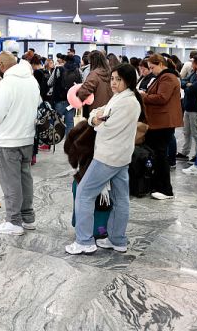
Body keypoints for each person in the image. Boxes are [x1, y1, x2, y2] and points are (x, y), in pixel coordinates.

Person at [66, 64, 143, 255]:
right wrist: (95, 119)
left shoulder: (128, 102)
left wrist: (96, 122)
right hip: (120, 156)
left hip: (108, 157)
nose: (114, 83)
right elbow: (97, 113)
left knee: (84, 193)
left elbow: (105, 127)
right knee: (120, 198)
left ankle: (84, 241)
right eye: (113, 79)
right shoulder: (121, 98)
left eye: (118, 79)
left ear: (129, 80)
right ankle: (117, 239)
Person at [0, 52, 42, 235]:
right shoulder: (32, 81)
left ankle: (13, 221)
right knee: (25, 178)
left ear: (1, 65)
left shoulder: (6, 84)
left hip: (8, 140)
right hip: (27, 138)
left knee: (11, 181)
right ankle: (28, 217)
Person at [140, 54, 183, 200]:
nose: (151, 71)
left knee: (160, 155)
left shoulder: (168, 77)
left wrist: (143, 96)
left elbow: (162, 98)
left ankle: (165, 189)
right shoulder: (163, 77)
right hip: (159, 121)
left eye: (152, 67)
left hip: (163, 122)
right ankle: (158, 185)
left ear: (160, 64)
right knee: (157, 154)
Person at [177, 55, 197, 163]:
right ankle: (185, 152)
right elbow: (183, 81)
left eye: (193, 62)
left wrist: (188, 86)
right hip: (188, 107)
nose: (191, 64)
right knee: (186, 132)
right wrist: (187, 84)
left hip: (196, 109)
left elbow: (194, 89)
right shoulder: (193, 73)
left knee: (196, 134)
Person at [75, 51, 113, 118]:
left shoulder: (94, 74)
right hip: (109, 108)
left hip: (95, 111)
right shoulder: (110, 72)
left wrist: (77, 94)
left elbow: (84, 92)